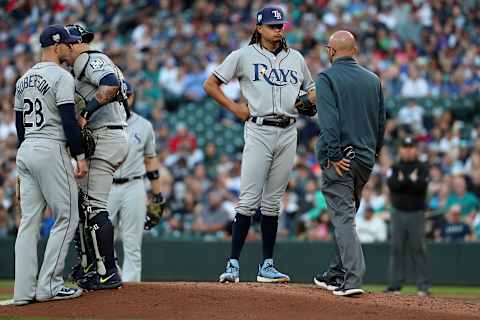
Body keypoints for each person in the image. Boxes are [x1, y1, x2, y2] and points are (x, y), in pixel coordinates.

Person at [203, 6, 316, 283]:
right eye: (272, 25)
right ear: (259, 28)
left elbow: (311, 89)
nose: (278, 29)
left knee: (273, 203)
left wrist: (310, 98)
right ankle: (232, 264)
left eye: (281, 25)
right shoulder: (242, 55)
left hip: (289, 131)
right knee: (248, 200)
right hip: (259, 129)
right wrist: (234, 108)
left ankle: (267, 265)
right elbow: (211, 84)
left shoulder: (296, 58)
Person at [13, 24, 87, 305]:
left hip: (27, 150)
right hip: (50, 147)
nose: (70, 48)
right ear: (57, 47)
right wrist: (79, 157)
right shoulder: (61, 77)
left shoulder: (22, 79)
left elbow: (19, 126)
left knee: (28, 223)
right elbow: (69, 120)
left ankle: (23, 293)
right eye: (68, 45)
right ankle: (50, 286)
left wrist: (22, 169)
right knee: (67, 216)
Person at [313, 30, 385, 296]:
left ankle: (352, 279)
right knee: (346, 216)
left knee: (343, 218)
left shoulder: (326, 77)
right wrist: (373, 154)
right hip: (365, 159)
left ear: (331, 52)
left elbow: (329, 123)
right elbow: (380, 123)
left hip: (341, 158)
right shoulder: (373, 79)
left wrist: (333, 156)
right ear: (354, 50)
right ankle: (335, 272)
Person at [65, 24, 129, 290]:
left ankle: (108, 272)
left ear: (74, 45)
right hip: (109, 134)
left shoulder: (92, 59)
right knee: (84, 206)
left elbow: (112, 84)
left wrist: (86, 115)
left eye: (70, 44)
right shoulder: (87, 65)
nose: (67, 51)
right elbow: (128, 88)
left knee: (93, 206)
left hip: (107, 136)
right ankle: (92, 266)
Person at [107, 82, 166, 282]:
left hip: (134, 185)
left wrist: (157, 194)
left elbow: (150, 159)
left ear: (132, 97)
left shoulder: (144, 125)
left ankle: (131, 289)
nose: (125, 98)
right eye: (121, 95)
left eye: (128, 95)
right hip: (106, 185)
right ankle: (108, 277)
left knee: (132, 242)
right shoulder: (101, 121)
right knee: (103, 240)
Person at [384, 136, 430, 296]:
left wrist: (404, 182)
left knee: (418, 248)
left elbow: (421, 187)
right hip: (398, 213)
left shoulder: (422, 167)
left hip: (416, 213)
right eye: (405, 147)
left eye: (411, 147)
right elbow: (392, 185)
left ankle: (423, 286)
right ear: (401, 150)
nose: (408, 150)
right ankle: (395, 284)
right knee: (396, 248)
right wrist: (410, 181)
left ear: (415, 149)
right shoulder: (395, 167)